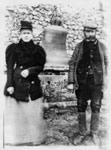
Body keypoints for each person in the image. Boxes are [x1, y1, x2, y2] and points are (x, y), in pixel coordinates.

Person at [4, 20, 47, 146]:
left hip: (32, 83)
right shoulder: (14, 48)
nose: (26, 35)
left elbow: (40, 67)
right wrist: (10, 84)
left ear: (32, 34)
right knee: (18, 114)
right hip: (17, 84)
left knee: (31, 113)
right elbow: (10, 68)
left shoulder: (38, 50)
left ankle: (32, 138)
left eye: (28, 33)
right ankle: (18, 139)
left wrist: (30, 71)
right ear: (20, 35)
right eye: (24, 33)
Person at [68, 21, 107, 145]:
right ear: (83, 33)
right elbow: (72, 63)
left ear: (96, 33)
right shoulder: (79, 47)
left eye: (92, 32)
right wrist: (71, 81)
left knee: (96, 105)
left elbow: (108, 63)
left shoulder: (102, 47)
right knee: (81, 105)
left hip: (97, 82)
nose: (90, 34)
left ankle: (94, 133)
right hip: (82, 82)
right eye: (87, 32)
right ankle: (82, 133)